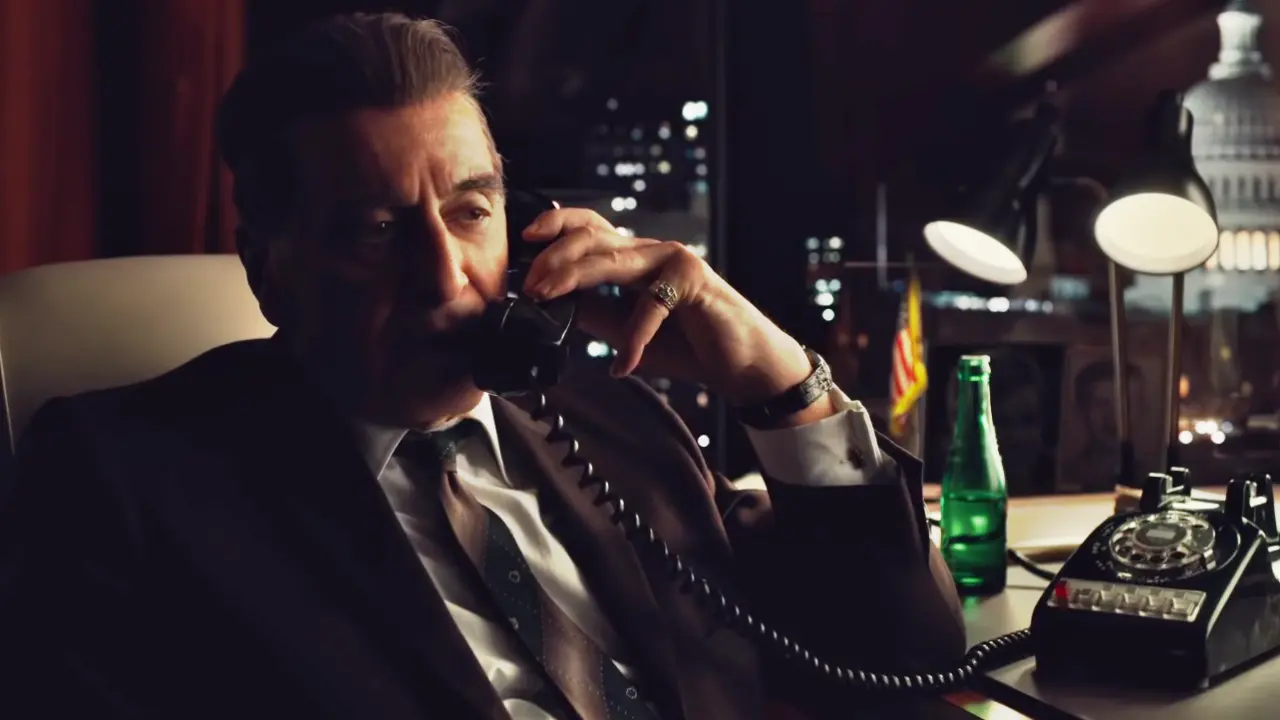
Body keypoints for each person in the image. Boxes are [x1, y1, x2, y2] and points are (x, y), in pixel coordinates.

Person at [0, 13, 964, 720]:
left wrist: (777, 380)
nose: (445, 274)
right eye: (376, 231)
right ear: (269, 271)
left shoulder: (614, 424)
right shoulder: (124, 477)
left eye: (470, 211)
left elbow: (902, 659)